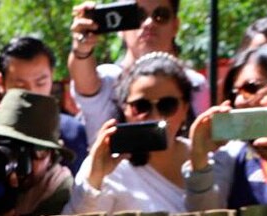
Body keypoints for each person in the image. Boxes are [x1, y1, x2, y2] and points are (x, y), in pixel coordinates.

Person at [67, 52, 192, 216]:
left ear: (185, 108)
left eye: (167, 105)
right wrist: (95, 177)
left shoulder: (206, 158)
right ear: (124, 108)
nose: (155, 116)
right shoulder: (106, 166)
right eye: (141, 106)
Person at [69, 0, 209, 145]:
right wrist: (82, 45)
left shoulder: (195, 84)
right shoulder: (108, 79)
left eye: (160, 16)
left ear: (175, 25)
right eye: (137, 16)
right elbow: (84, 80)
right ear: (120, 28)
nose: (149, 23)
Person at [184, 44, 267, 211]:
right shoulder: (232, 156)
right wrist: (199, 158)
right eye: (235, 93)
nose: (239, 101)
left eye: (251, 88)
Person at [0, 37, 88, 175]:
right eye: (20, 87)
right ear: (1, 83)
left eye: (40, 83)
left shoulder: (73, 132)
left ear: (52, 76)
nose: (32, 93)